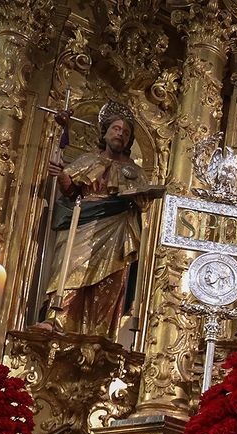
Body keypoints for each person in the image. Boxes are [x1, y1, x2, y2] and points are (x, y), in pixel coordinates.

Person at [43, 102, 157, 337]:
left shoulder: (135, 172)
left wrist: (140, 198)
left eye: (126, 133)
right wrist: (62, 175)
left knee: (109, 280)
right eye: (116, 129)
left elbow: (144, 203)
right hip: (83, 223)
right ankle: (58, 321)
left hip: (118, 229)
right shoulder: (88, 160)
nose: (120, 134)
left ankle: (99, 333)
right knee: (71, 269)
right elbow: (71, 190)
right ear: (105, 132)